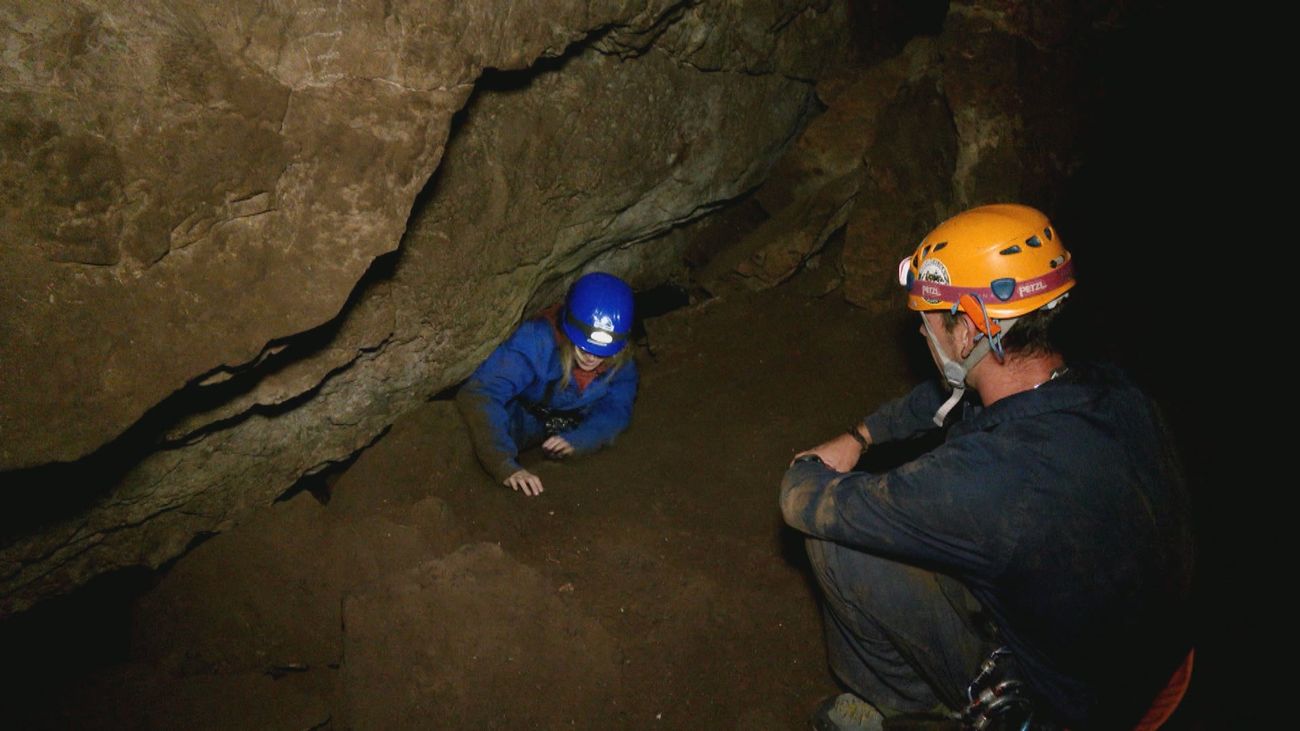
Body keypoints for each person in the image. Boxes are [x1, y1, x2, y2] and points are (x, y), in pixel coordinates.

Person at [780, 204, 1194, 730]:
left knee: (838, 545)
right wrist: (862, 436)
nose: (924, 335)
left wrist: (810, 467)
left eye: (928, 322)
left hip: (1069, 709)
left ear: (971, 332)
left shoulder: (990, 478)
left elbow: (804, 504)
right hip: (1142, 663)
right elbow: (946, 399)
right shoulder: (1114, 390)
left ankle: (921, 713)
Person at [456, 272, 638, 496]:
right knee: (461, 434)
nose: (591, 358)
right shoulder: (536, 341)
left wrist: (583, 438)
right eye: (583, 348)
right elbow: (482, 392)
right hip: (521, 418)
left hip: (569, 424)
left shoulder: (618, 358)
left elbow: (617, 407)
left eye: (600, 353)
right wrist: (503, 463)